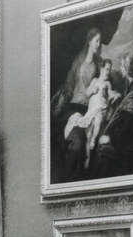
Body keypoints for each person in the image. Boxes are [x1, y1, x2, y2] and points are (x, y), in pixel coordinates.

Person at [51, 27, 104, 182]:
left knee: (78, 142)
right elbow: (69, 86)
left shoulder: (98, 64)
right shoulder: (78, 60)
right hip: (71, 106)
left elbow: (102, 85)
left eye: (100, 42)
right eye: (97, 41)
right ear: (89, 41)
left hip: (86, 108)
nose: (99, 44)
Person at [64, 58, 120, 167]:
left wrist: (115, 95)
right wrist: (93, 90)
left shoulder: (107, 83)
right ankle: (87, 158)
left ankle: (94, 140)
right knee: (87, 135)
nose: (108, 72)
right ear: (101, 69)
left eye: (110, 70)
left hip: (100, 109)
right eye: (107, 69)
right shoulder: (95, 80)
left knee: (98, 122)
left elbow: (111, 94)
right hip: (91, 111)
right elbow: (87, 92)